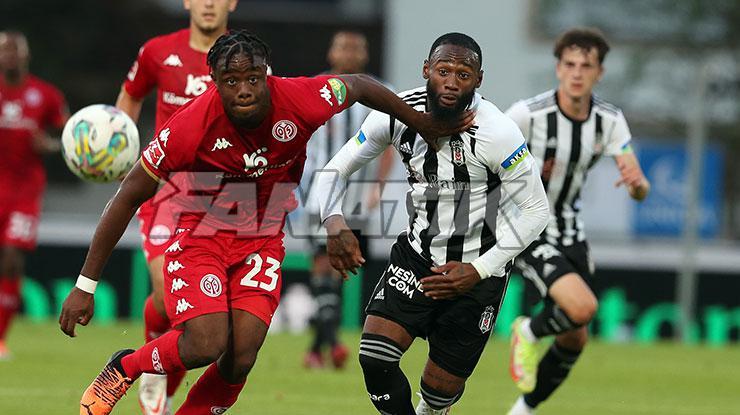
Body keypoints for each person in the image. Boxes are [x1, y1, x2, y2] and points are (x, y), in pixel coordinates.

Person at [59, 30, 474, 415]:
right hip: (202, 236)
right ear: (214, 81)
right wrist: (84, 285)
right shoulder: (188, 127)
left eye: (253, 78)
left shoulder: (301, 98)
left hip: (261, 240)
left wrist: (419, 122)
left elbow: (361, 85)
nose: (243, 90)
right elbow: (127, 196)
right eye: (231, 80)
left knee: (241, 357)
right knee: (206, 342)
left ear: (266, 74)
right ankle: (126, 367)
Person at [314, 32, 550, 414]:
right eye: (443, 70)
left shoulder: (498, 132)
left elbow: (537, 211)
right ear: (427, 69)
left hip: (479, 272)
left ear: (479, 80)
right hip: (418, 258)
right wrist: (333, 219)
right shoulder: (395, 114)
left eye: (464, 74)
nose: (452, 82)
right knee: (375, 356)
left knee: (438, 395)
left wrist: (478, 269)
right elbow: (334, 170)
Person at [504, 27, 650, 415]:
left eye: (586, 66)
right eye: (570, 64)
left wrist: (637, 185)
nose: (577, 73)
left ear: (599, 73)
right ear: (557, 68)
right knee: (583, 307)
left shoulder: (609, 120)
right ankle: (528, 332)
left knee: (575, 338)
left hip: (571, 229)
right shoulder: (527, 115)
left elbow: (637, 184)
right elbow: (484, 154)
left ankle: (524, 409)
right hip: (527, 224)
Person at [115, 0, 237, 412]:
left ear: (231, 3)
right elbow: (129, 99)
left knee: (200, 315)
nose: (208, 4)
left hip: (225, 198)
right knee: (169, 300)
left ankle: (162, 390)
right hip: (167, 189)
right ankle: (154, 369)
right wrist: (121, 149)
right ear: (186, 2)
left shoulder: (244, 59)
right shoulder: (156, 52)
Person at [302, 30, 396, 370]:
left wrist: (379, 187)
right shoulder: (312, 88)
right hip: (319, 189)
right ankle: (333, 342)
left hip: (358, 195)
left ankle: (319, 345)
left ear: (365, 54)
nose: (349, 52)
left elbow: (388, 143)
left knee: (341, 264)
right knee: (322, 261)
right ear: (331, 51)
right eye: (343, 45)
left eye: (357, 46)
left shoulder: (378, 92)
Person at [0, 31, 68, 360]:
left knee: (12, 259)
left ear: (26, 56)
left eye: (15, 50)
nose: (9, 56)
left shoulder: (46, 95)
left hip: (25, 192)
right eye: (4, 51)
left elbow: (73, 140)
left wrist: (50, 146)